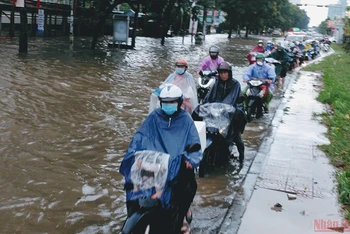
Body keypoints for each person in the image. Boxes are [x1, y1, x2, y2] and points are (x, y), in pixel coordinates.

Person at [120, 84, 202, 234]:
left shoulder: (186, 120)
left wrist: (191, 159)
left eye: (172, 102)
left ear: (179, 102)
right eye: (165, 101)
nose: (168, 105)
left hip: (174, 166)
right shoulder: (154, 117)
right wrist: (131, 154)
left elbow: (194, 143)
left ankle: (182, 214)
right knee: (133, 184)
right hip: (154, 165)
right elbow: (140, 137)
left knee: (187, 186)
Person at [201, 61, 247, 167]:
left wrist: (235, 111)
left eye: (225, 72)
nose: (223, 75)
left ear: (229, 73)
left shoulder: (235, 84)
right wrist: (204, 106)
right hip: (216, 115)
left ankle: (242, 159)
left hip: (230, 116)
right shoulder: (216, 84)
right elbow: (209, 98)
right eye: (221, 73)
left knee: (238, 138)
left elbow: (237, 100)